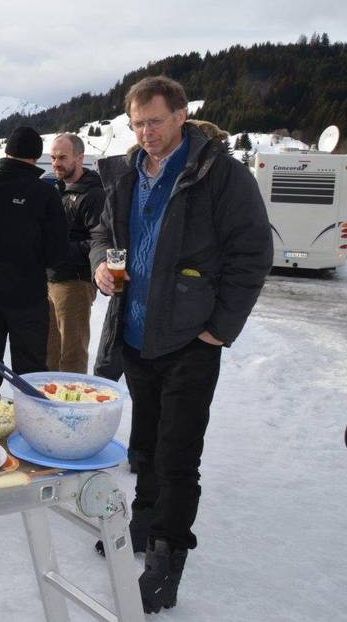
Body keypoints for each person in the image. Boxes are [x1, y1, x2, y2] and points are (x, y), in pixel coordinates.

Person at [90, 76, 271, 614]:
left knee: (177, 456)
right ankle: (142, 526)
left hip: (191, 339)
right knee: (144, 443)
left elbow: (252, 254)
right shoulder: (124, 174)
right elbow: (102, 232)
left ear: (181, 115)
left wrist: (219, 327)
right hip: (136, 332)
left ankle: (166, 561)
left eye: (156, 121)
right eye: (137, 122)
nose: (146, 132)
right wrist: (100, 263)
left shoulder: (220, 175)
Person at [0, 126, 68, 393]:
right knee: (30, 375)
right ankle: (28, 433)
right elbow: (57, 255)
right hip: (27, 301)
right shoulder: (45, 195)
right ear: (36, 157)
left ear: (6, 151)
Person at [45, 133, 105, 374]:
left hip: (75, 283)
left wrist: (56, 249)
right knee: (50, 351)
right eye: (52, 157)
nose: (56, 163)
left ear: (79, 158)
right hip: (51, 279)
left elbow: (99, 242)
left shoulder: (94, 194)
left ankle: (72, 408)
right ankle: (49, 404)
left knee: (71, 354)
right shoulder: (58, 188)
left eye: (62, 157)